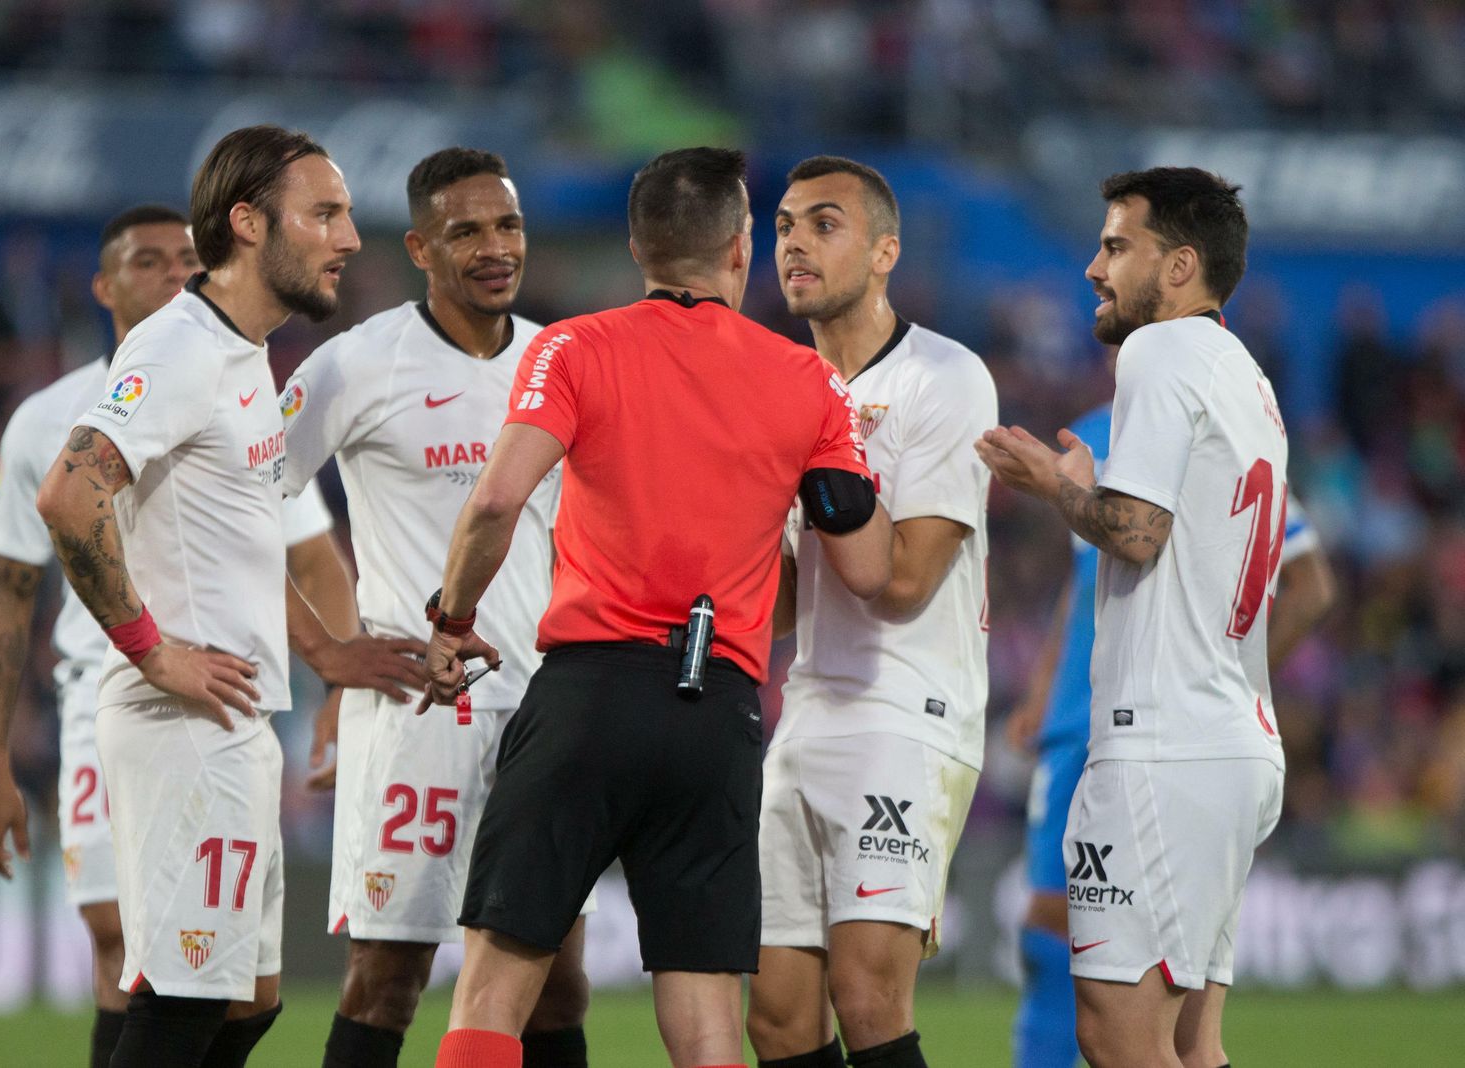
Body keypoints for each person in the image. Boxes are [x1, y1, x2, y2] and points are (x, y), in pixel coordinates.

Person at [420, 146, 894, 1068]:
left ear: (637, 245)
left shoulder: (573, 346)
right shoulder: (807, 382)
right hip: (716, 711)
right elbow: (867, 566)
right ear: (740, 247)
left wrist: (451, 619)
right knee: (708, 1022)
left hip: (589, 695)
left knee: (493, 991)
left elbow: (493, 501)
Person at [36, 125, 422, 1068]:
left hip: (232, 716)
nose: (349, 239)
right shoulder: (178, 350)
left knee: (248, 1003)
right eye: (324, 214)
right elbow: (67, 493)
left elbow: (239, 538)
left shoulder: (244, 353)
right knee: (181, 1003)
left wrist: (327, 653)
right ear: (249, 223)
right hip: (181, 722)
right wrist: (151, 648)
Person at [0, 203, 357, 1068]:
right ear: (105, 284)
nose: (174, 273)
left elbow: (298, 552)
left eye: (186, 257)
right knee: (140, 948)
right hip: (134, 687)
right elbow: (8, 588)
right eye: (148, 261)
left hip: (230, 693)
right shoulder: (53, 416)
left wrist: (336, 667)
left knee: (243, 993)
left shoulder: (242, 372)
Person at [279, 147, 594, 1068]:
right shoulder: (354, 365)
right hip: (420, 713)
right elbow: (235, 506)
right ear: (421, 246)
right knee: (389, 977)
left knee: (556, 983)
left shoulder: (558, 359)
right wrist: (325, 653)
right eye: (467, 232)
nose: (496, 248)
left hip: (542, 713)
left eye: (508, 226)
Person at [976, 167, 1286, 1068]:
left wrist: (1053, 484)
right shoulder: (1248, 377)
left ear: (1180, 266)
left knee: (1119, 1037)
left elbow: (1137, 532)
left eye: (1116, 246)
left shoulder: (1160, 353)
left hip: (1163, 744)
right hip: (1232, 738)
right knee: (1195, 1045)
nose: (1091, 267)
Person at [747, 156, 996, 1068]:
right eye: (781, 226)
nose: (795, 244)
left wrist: (824, 444)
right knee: (775, 1015)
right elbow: (778, 607)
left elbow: (901, 582)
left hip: (909, 712)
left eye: (823, 223)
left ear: (886, 250)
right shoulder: (776, 387)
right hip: (807, 711)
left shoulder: (946, 377)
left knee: (867, 994)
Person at [1004, 403, 1334, 1068]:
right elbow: (1086, 578)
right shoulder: (1095, 430)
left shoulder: (1211, 427)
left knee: (1152, 998)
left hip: (1156, 726)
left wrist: (1229, 679)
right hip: (1077, 725)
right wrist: (1045, 686)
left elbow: (1311, 585)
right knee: (1051, 937)